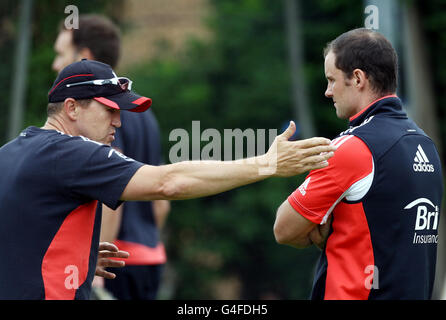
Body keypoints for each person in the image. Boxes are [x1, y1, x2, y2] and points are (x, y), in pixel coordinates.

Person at [0, 59, 335, 299]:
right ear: (72, 108)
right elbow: (168, 183)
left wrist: (74, 257)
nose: (119, 122)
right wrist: (267, 164)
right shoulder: (72, 153)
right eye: (109, 110)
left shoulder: (10, 152)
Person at [273, 28, 443, 300]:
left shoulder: (352, 148)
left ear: (358, 78)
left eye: (331, 80)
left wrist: (319, 228)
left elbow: (283, 228)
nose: (328, 92)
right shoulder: (426, 145)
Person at [52, 14, 170, 300]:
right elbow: (161, 201)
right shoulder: (144, 114)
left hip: (113, 265)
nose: (55, 64)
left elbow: (109, 192)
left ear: (83, 57)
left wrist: (95, 268)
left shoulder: (100, 115)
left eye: (61, 54)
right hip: (149, 258)